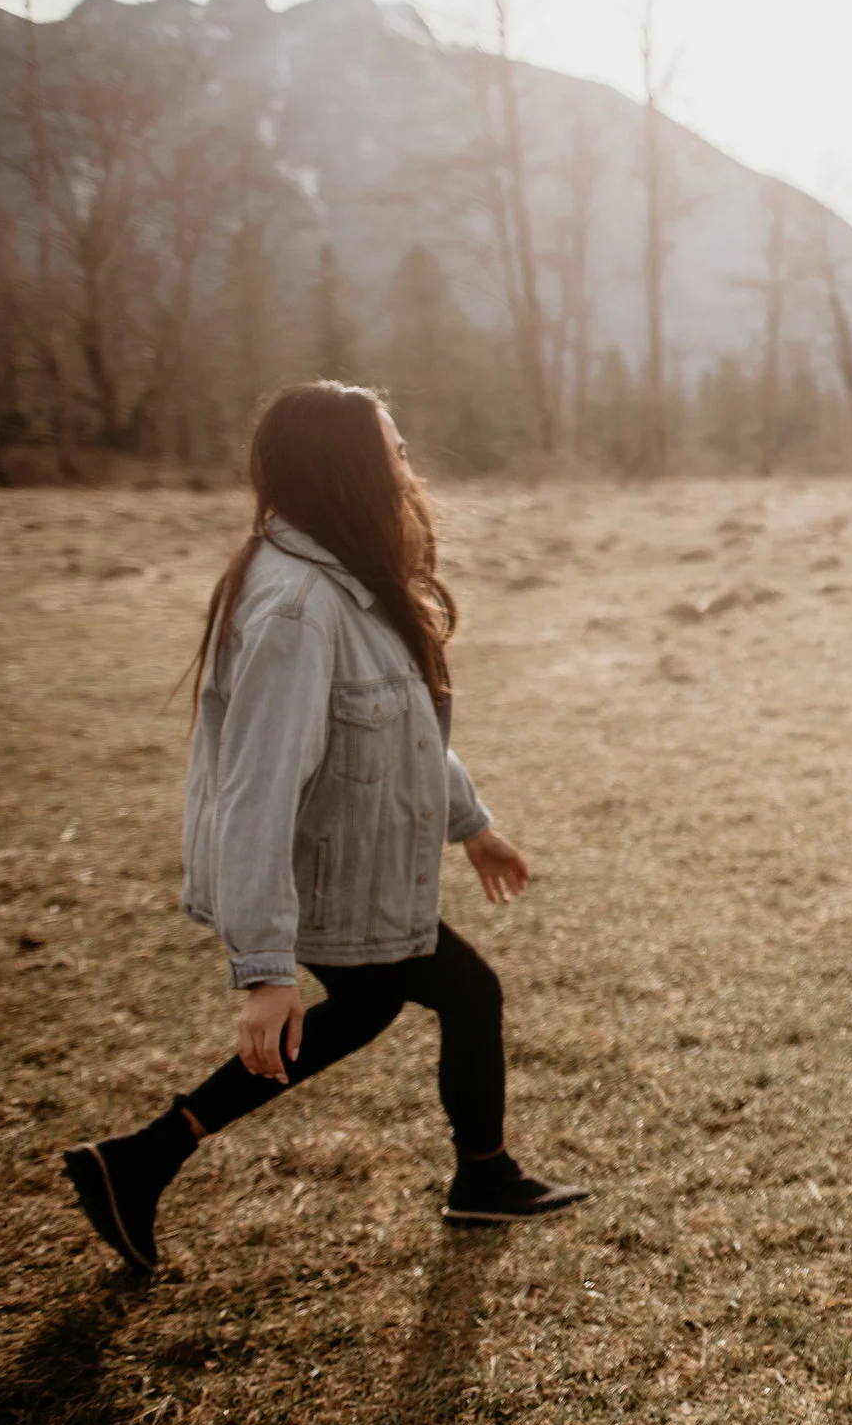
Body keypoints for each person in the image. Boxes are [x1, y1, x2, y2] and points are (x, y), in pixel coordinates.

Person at [62, 382, 589, 1272]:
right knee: (461, 992)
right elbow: (256, 791)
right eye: (393, 451)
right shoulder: (297, 610)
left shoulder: (340, 579)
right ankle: (481, 1177)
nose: (407, 469)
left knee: (394, 999)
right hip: (325, 874)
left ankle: (143, 1157)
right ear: (345, 469)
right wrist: (265, 970)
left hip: (354, 866)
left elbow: (397, 729)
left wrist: (472, 825)